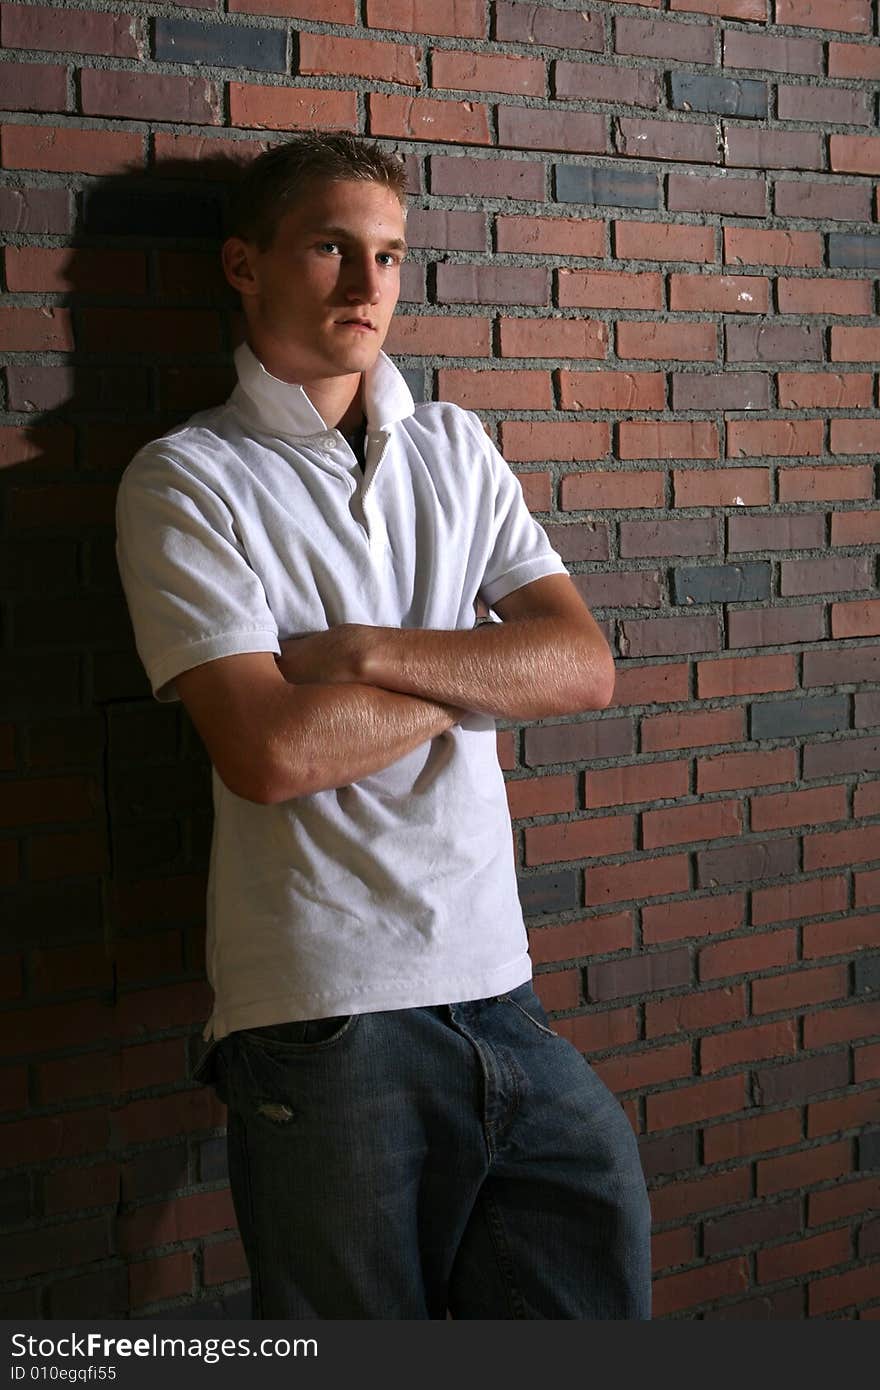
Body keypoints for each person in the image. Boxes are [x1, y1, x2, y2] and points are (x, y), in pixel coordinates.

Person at [116, 132, 652, 1320]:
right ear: (244, 265)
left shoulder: (454, 445)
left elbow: (580, 666)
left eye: (391, 256)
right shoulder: (189, 478)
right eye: (331, 248)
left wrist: (362, 654)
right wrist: (480, 671)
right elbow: (270, 752)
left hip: (500, 984)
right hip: (324, 1009)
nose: (368, 286)